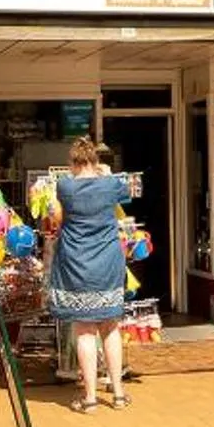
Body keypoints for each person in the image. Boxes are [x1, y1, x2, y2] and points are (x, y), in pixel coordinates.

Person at [48, 136, 133, 412]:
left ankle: (91, 398)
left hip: (76, 263)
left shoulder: (65, 186)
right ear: (96, 161)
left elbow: (56, 214)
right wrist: (106, 172)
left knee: (84, 329)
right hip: (107, 262)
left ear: (73, 162)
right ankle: (118, 394)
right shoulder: (110, 184)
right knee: (110, 326)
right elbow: (127, 192)